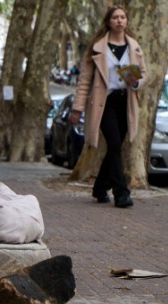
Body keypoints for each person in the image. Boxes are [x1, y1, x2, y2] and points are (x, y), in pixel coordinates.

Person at [69, 5, 147, 208]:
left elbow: (143, 73)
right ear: (108, 21)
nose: (120, 20)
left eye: (123, 17)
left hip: (126, 101)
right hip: (104, 103)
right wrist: (77, 109)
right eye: (115, 17)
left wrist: (137, 81)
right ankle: (122, 193)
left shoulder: (134, 47)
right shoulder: (97, 47)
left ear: (126, 21)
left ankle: (100, 188)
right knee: (113, 145)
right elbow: (85, 80)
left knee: (115, 147)